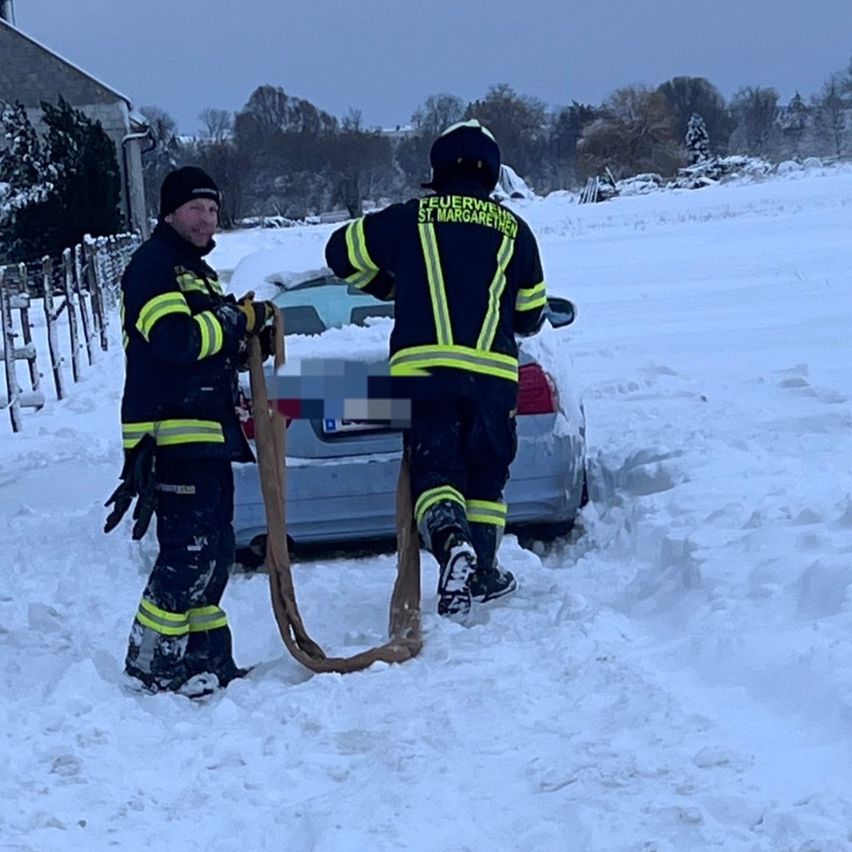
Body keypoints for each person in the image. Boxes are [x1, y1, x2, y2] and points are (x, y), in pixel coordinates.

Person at [325, 120, 548, 623]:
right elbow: (531, 313)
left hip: (422, 373)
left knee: (437, 470)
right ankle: (485, 571)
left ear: (436, 170)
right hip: (492, 377)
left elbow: (339, 252)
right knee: (487, 476)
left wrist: (394, 285)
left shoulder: (411, 219)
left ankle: (452, 547)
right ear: (492, 174)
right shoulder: (516, 231)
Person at [105, 166, 273, 696]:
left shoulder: (198, 273)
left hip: (206, 431)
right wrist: (232, 321)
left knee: (217, 550)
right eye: (197, 209)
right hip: (169, 433)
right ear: (171, 213)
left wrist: (251, 336)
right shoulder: (154, 266)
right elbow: (175, 341)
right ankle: (151, 663)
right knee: (188, 550)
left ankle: (207, 658)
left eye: (214, 210)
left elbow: (214, 347)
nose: (207, 219)